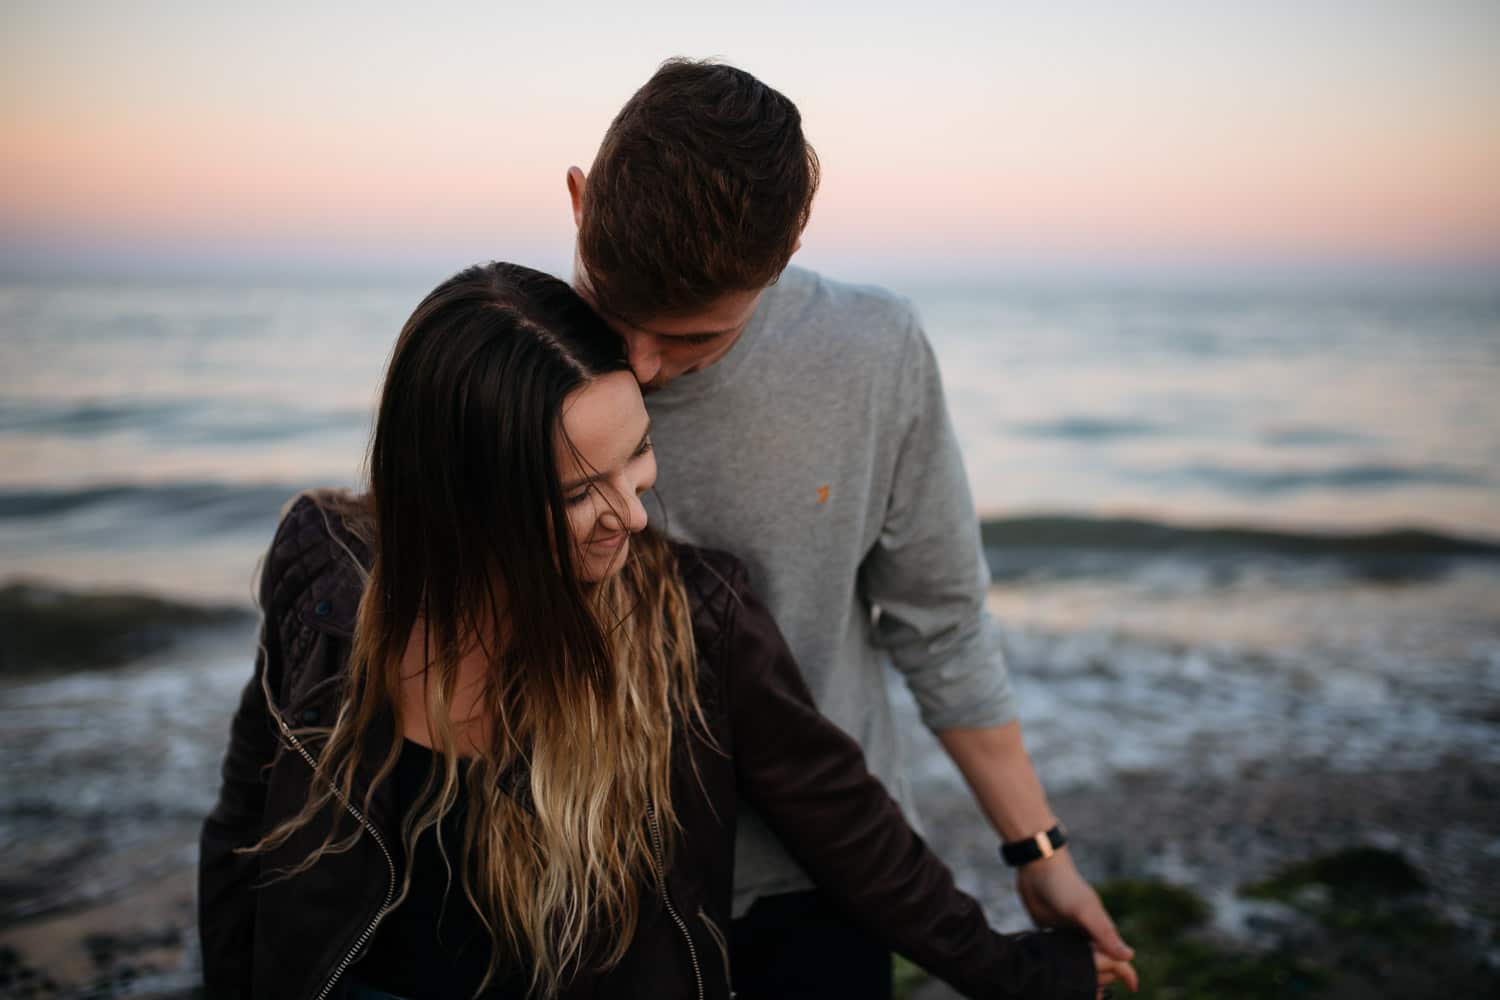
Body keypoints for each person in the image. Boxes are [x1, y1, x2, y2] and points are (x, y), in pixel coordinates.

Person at [197, 262, 1131, 999]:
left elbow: (850, 826)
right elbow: (248, 820)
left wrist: (1027, 972)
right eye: (577, 492)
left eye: (637, 451)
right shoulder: (327, 574)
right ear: (464, 502)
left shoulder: (688, 623)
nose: (634, 515)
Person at [566, 59, 1137, 999]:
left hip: (827, 873)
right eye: (616, 309)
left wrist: (1038, 850)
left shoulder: (873, 353)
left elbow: (939, 621)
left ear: (785, 254)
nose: (641, 366)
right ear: (581, 202)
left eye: (695, 339)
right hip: (582, 877)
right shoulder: (506, 361)